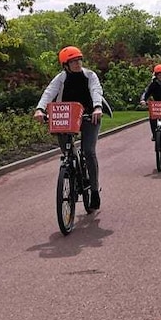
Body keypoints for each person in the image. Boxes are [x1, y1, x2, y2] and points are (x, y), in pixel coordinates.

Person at [34, 46, 112, 211]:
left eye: (79, 60)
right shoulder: (61, 78)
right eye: (73, 61)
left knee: (89, 151)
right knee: (67, 151)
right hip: (67, 117)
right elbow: (49, 93)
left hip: (90, 116)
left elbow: (96, 90)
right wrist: (40, 109)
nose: (77, 63)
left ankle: (94, 189)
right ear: (66, 65)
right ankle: (73, 170)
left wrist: (97, 107)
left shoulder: (90, 75)